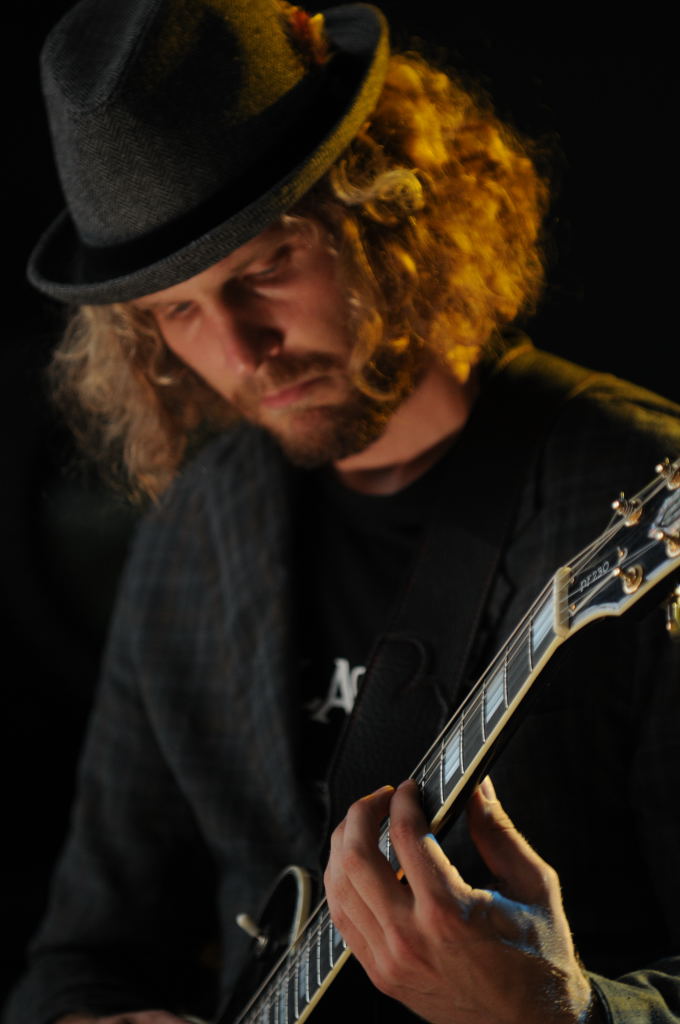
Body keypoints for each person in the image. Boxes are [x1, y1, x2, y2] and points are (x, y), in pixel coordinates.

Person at [5, 1, 680, 1023]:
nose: (239, 350)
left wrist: (560, 1011)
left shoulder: (636, 497)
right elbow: (85, 950)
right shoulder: (195, 534)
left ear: (394, 212)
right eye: (176, 309)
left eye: (267, 266)